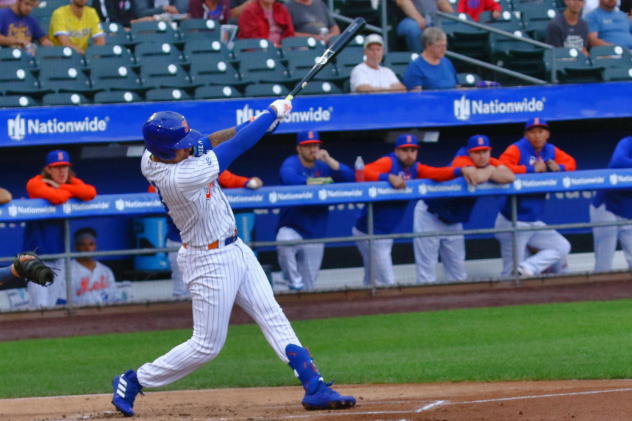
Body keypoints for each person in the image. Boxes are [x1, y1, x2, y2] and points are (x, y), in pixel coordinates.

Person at [111, 101, 356, 416]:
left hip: (235, 247)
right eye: (181, 146)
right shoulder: (182, 175)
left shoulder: (155, 154)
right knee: (206, 346)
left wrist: (261, 123)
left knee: (272, 314)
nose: (188, 148)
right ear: (167, 152)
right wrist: (270, 113)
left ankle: (315, 386)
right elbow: (236, 146)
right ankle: (133, 380)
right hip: (207, 260)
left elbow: (211, 140)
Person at [353, 134, 465, 286]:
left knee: (372, 279)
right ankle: (389, 308)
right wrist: (389, 178)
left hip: (382, 232)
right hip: (370, 231)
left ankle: (365, 306)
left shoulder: (415, 168)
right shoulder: (389, 162)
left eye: (413, 150)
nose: (409, 154)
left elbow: (437, 173)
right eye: (405, 150)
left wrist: (462, 171)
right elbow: (362, 171)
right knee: (387, 282)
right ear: (397, 151)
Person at [413, 135, 515, 284]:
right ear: (469, 152)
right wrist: (492, 170)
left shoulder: (489, 162)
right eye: (477, 152)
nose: (482, 156)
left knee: (458, 275)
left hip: (454, 221)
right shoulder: (461, 159)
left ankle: (457, 306)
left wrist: (490, 168)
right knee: (426, 275)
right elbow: (475, 178)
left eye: (485, 151)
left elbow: (510, 176)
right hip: (430, 215)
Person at [494, 118, 576, 277]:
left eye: (541, 131)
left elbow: (571, 162)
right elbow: (501, 167)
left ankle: (526, 268)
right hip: (512, 220)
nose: (537, 135)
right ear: (526, 135)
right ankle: (505, 298)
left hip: (532, 221)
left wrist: (561, 167)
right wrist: (530, 169)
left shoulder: (550, 150)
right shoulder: (517, 148)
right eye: (532, 132)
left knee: (561, 246)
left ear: (547, 134)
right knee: (509, 274)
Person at [277, 130, 355, 291]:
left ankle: (302, 300)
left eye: (315, 146)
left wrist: (329, 160)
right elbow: (287, 177)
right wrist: (315, 182)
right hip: (293, 226)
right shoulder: (292, 162)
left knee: (309, 287)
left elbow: (350, 178)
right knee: (284, 242)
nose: (313, 150)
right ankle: (293, 283)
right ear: (299, 148)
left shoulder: (323, 164)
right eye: (308, 146)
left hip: (315, 232)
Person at [24, 150, 97, 308]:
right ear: (48, 169)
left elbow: (91, 192)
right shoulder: (35, 182)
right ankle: (34, 333)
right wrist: (65, 190)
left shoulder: (70, 181)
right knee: (40, 306)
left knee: (51, 304)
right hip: (35, 255)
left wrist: (61, 186)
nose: (62, 171)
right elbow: (59, 198)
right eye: (57, 167)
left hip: (60, 255)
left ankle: (48, 333)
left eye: (65, 166)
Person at [590, 136, 632, 272]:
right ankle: (598, 293)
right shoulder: (628, 142)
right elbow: (617, 161)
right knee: (604, 261)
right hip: (606, 206)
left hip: (628, 211)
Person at [57, 228, 120, 307]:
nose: (87, 248)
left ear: (95, 247)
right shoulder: (66, 269)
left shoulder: (105, 270)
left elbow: (115, 297)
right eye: (83, 245)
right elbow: (61, 300)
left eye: (91, 244)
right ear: (76, 247)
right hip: (78, 314)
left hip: (104, 312)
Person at [403, 27, 459, 91]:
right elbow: (416, 97)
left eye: (445, 45)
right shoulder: (415, 67)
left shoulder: (447, 62)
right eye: (440, 46)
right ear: (428, 46)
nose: (444, 49)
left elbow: (458, 87)